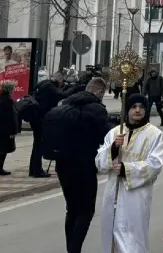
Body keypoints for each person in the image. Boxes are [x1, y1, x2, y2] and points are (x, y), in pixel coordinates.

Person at [95, 94, 163, 253]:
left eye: (141, 107)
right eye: (134, 107)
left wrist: (126, 169)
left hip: (137, 194)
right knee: (111, 231)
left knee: (132, 234)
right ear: (127, 110)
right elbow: (99, 163)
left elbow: (155, 164)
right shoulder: (115, 132)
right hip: (113, 190)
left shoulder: (155, 134)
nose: (138, 110)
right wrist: (113, 148)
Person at [51, 77, 113, 253]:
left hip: (62, 164)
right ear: (99, 92)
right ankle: (74, 249)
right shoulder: (97, 109)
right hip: (84, 166)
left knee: (72, 209)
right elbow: (105, 137)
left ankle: (71, 248)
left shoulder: (66, 103)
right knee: (86, 211)